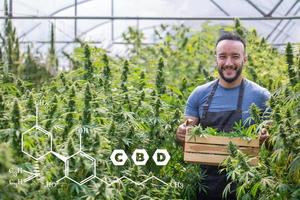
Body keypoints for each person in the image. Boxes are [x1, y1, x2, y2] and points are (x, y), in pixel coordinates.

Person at [176, 32, 270, 200]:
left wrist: (265, 139)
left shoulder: (261, 96)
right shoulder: (199, 94)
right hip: (205, 186)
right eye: (223, 56)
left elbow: (275, 147)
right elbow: (186, 142)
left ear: (245, 59)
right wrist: (181, 133)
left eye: (235, 56)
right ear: (216, 59)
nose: (228, 63)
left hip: (247, 185)